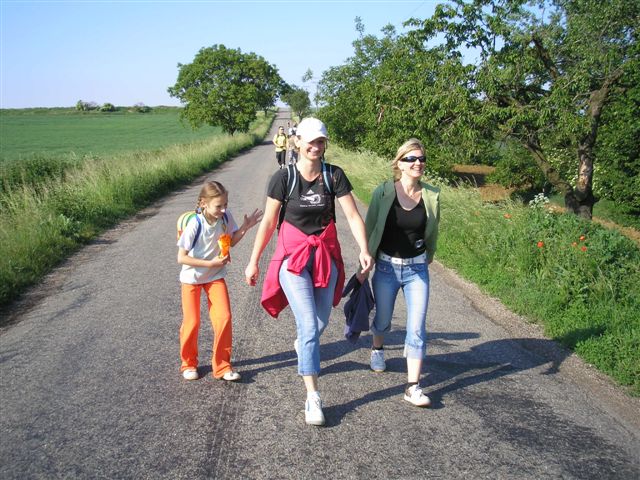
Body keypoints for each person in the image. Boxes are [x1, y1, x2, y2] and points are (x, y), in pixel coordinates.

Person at [245, 117, 373, 426]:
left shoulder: (334, 175)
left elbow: (352, 215)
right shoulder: (283, 177)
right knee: (307, 324)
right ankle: (313, 397)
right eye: (311, 141)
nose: (316, 146)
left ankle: (304, 344)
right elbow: (269, 223)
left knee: (319, 323)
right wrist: (253, 260)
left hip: (325, 256)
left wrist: (364, 249)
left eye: (321, 141)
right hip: (293, 260)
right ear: (298, 142)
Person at [359, 138, 440, 407]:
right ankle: (377, 347)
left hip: (417, 269)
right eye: (411, 159)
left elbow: (433, 229)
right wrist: (364, 263)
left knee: (416, 327)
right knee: (383, 319)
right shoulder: (383, 193)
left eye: (421, 159)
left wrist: (429, 254)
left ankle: (412, 386)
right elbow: (370, 228)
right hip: (386, 267)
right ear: (400, 163)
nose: (418, 163)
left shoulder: (431, 195)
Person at [177, 180, 263, 382]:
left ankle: (223, 367)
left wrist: (245, 227)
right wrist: (210, 263)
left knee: (224, 317)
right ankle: (188, 364)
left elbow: (230, 241)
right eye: (218, 206)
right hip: (192, 278)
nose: (223, 209)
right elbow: (181, 258)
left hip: (215, 276)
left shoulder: (225, 217)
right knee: (192, 322)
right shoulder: (195, 224)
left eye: (225, 204)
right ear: (203, 203)